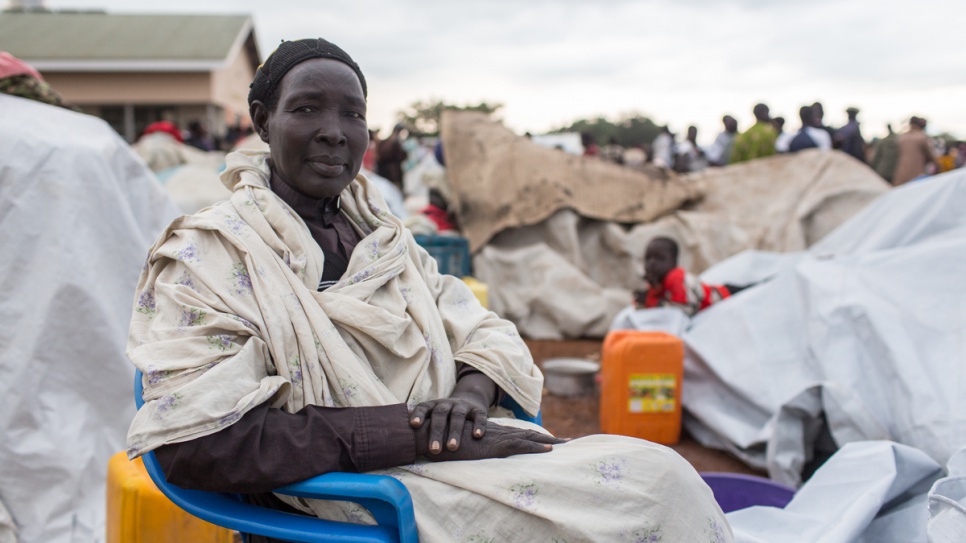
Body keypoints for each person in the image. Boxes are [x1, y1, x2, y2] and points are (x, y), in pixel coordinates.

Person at [124, 38, 731, 543]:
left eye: (353, 115)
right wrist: (419, 432)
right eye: (307, 109)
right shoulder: (210, 253)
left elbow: (481, 326)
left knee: (659, 478)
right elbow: (196, 444)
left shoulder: (384, 237)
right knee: (653, 493)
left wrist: (466, 398)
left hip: (452, 457)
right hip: (354, 498)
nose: (335, 132)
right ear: (261, 120)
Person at [632, 237, 745, 317]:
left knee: (747, 289)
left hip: (721, 295)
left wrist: (651, 302)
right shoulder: (656, 280)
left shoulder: (675, 277)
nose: (652, 263)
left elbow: (685, 310)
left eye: (660, 258)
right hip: (716, 291)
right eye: (648, 258)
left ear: (674, 262)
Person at [893, 116, 937, 185]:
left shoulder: (902, 138)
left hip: (901, 176)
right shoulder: (922, 137)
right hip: (917, 177)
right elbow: (932, 157)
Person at [376, 122, 408, 190]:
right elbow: (400, 156)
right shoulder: (395, 141)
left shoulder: (386, 141)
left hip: (385, 171)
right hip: (392, 172)